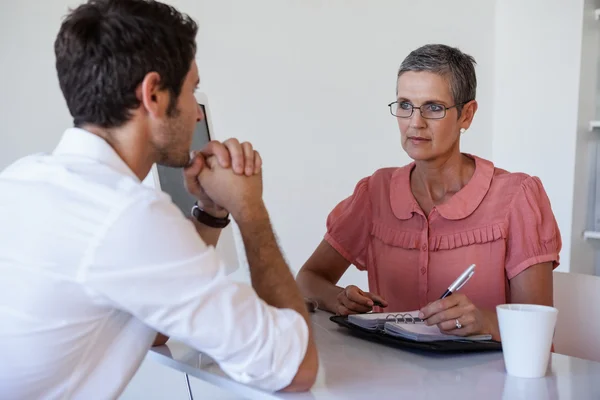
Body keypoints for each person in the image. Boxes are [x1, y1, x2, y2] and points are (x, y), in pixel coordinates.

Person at [0, 0, 317, 398]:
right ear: (153, 94)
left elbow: (151, 329)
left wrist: (212, 214)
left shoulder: (22, 179)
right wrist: (249, 209)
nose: (197, 114)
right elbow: (294, 369)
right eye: (191, 89)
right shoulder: (126, 216)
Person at [297, 44, 561, 342]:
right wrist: (338, 298)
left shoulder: (517, 197)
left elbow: (539, 333)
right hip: (390, 378)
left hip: (487, 385)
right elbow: (308, 279)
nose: (415, 123)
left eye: (434, 107)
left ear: (467, 115)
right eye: (405, 105)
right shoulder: (375, 193)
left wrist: (485, 321)